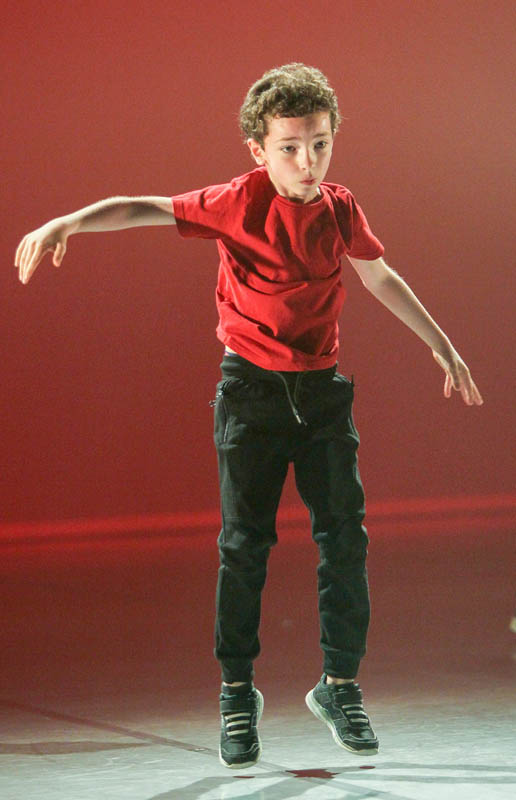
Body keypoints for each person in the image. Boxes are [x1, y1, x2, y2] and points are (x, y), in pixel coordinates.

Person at [15, 63, 483, 770]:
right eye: (290, 148)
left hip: (321, 395)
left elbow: (378, 274)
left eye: (320, 144)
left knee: (345, 538)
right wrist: (70, 221)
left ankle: (340, 686)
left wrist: (441, 345)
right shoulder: (237, 201)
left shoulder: (340, 208)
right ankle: (237, 691)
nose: (307, 162)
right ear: (259, 150)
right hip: (252, 395)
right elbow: (142, 207)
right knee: (244, 546)